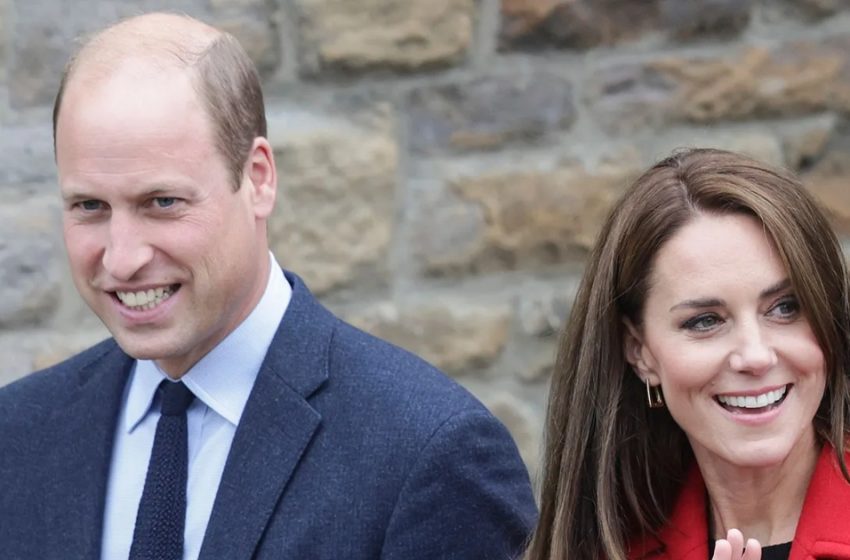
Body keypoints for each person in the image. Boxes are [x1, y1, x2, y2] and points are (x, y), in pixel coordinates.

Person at [0, 12, 537, 560]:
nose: (123, 257)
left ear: (258, 178)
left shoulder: (428, 453)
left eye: (162, 203)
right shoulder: (15, 435)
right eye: (90, 206)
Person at [523, 148, 850, 560]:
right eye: (705, 321)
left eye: (786, 307)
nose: (755, 355)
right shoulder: (607, 548)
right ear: (640, 351)